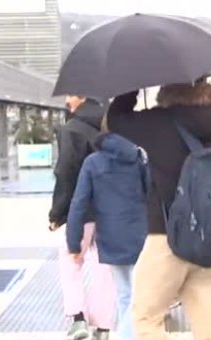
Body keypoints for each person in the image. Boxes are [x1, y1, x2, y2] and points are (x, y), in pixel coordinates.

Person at [107, 78, 211, 339]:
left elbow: (115, 120)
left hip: (167, 237)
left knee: (145, 317)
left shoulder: (160, 121)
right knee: (208, 323)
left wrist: (133, 81)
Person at [66, 127, 149, 340]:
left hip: (110, 236)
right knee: (138, 295)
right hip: (139, 233)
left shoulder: (93, 162)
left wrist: (74, 243)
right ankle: (127, 336)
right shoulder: (139, 158)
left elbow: (79, 203)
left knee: (124, 294)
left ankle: (125, 335)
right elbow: (151, 192)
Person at [49, 95, 115, 340]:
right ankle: (104, 326)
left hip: (82, 210)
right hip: (110, 210)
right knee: (104, 267)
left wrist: (57, 213)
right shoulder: (111, 126)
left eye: (70, 95)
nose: (67, 100)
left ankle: (78, 318)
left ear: (81, 96)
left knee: (70, 259)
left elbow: (65, 173)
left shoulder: (72, 129)